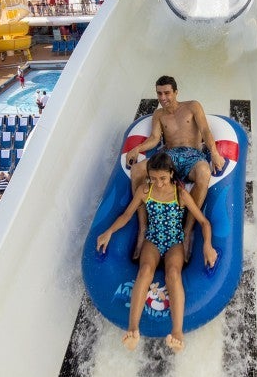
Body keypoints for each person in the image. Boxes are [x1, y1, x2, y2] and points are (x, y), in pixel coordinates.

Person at [96, 152, 215, 354]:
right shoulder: (145, 191)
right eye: (153, 178)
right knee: (145, 270)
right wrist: (109, 232)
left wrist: (207, 246)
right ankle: (133, 329)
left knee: (173, 273)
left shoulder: (181, 194)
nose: (158, 183)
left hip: (175, 241)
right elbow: (126, 215)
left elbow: (203, 222)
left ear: (171, 174)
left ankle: (177, 332)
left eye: (162, 178)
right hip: (153, 238)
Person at [125, 75, 225, 262]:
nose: (163, 98)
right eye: (159, 93)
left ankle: (187, 231)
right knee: (138, 170)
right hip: (169, 155)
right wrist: (137, 148)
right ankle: (143, 228)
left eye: (167, 93)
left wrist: (215, 153)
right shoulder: (159, 114)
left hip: (192, 155)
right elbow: (155, 139)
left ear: (176, 92)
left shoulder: (192, 106)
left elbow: (205, 131)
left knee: (204, 172)